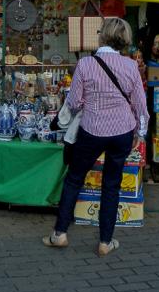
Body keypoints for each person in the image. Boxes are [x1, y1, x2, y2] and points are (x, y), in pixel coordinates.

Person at [43, 17, 148, 257]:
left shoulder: (85, 64)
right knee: (112, 185)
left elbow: (75, 102)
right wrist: (139, 133)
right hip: (122, 131)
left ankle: (59, 233)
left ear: (101, 36)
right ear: (125, 40)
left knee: (74, 179)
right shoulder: (131, 66)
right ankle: (105, 241)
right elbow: (140, 106)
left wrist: (61, 121)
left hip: (92, 130)